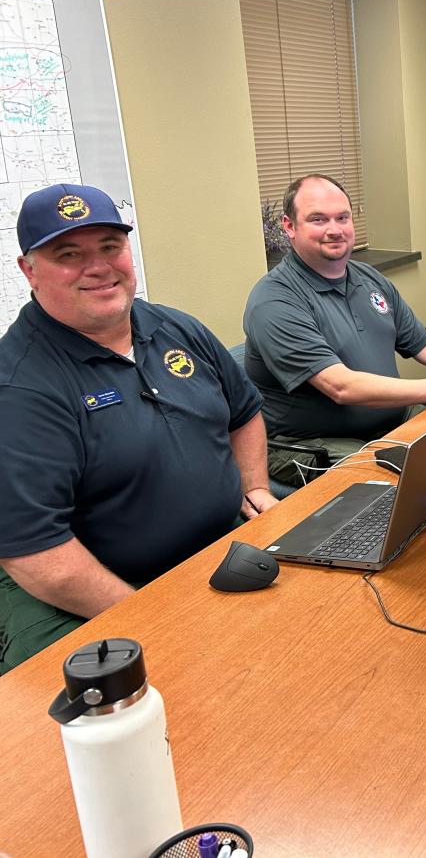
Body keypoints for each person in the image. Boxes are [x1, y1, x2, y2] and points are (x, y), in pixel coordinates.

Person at [0, 183, 278, 672]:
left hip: (216, 551)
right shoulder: (21, 387)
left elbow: (243, 413)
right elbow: (37, 556)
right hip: (96, 593)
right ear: (29, 270)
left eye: (111, 246)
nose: (99, 266)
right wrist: (146, 618)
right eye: (69, 254)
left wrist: (253, 485)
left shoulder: (174, 327)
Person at [244, 174, 426, 486]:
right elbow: (341, 387)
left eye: (342, 217)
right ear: (290, 226)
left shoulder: (367, 278)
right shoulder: (275, 300)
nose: (334, 229)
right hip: (313, 443)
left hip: (390, 418)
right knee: (414, 483)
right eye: (318, 219)